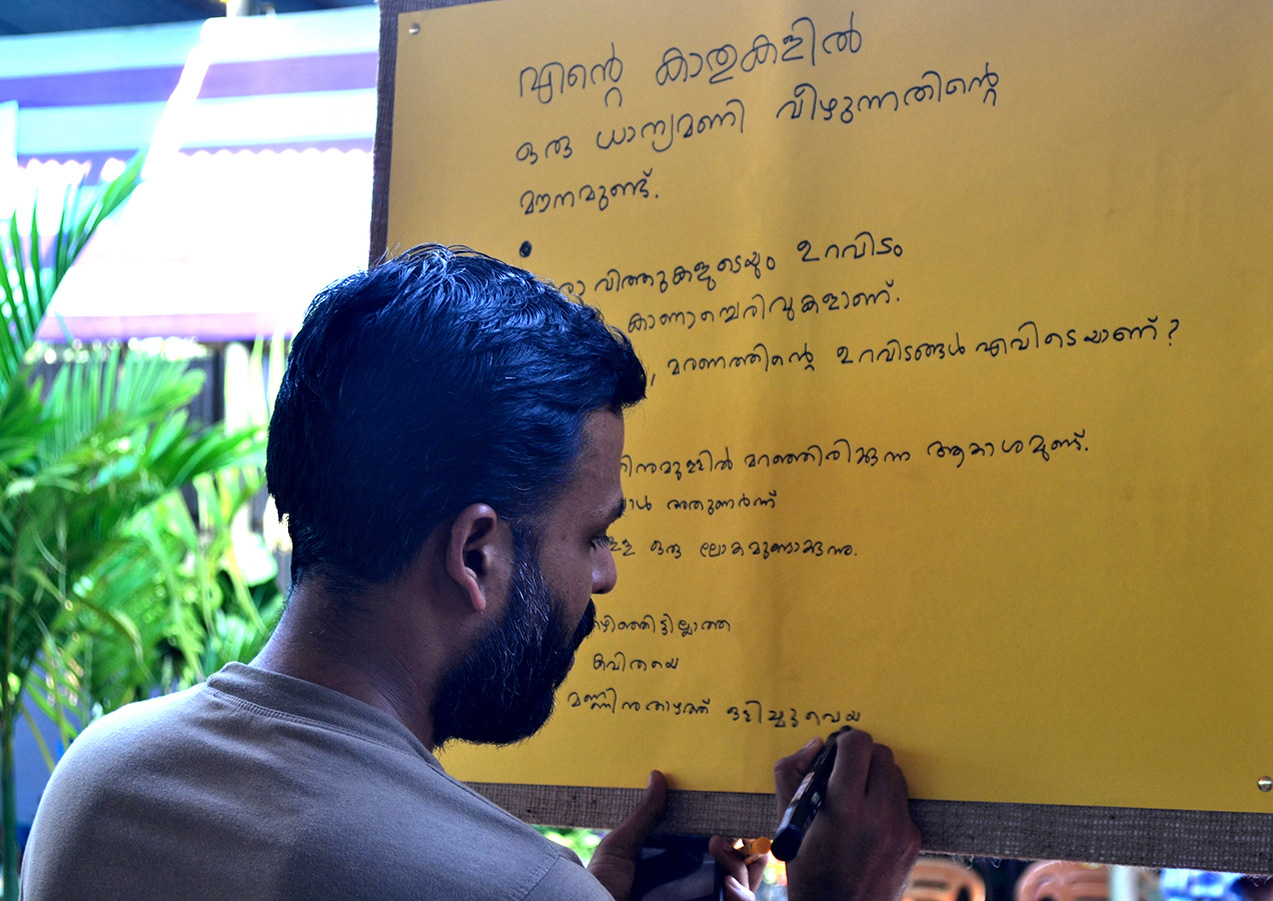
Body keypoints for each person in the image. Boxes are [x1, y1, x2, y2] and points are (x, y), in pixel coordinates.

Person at [21, 245, 920, 900]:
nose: (604, 575)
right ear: (475, 553)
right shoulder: (513, 887)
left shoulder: (98, 782)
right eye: (592, 536)